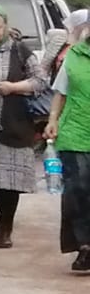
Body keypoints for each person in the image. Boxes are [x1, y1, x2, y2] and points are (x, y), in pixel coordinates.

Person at [0, 6, 47, 248]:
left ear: (5, 26)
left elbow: (40, 81)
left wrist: (13, 87)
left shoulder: (20, 51)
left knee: (9, 183)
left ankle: (5, 228)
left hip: (13, 124)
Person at [47, 20, 90, 273]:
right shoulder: (74, 54)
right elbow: (60, 92)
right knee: (77, 189)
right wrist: (53, 119)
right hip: (74, 131)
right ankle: (84, 246)